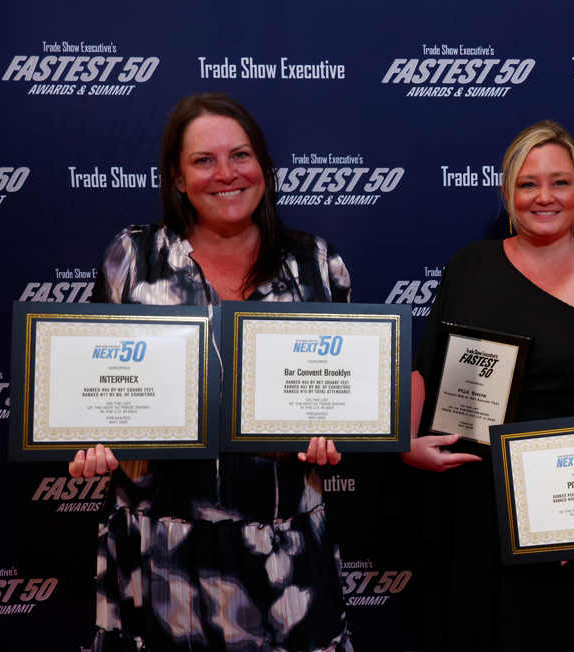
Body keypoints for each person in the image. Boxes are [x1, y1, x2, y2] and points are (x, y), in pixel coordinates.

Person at [69, 93, 354, 652]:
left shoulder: (315, 262)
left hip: (284, 545)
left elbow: (344, 390)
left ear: (264, 166)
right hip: (159, 545)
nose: (226, 174)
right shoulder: (133, 258)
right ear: (177, 177)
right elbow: (91, 385)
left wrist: (337, 430)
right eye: (204, 160)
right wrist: (89, 440)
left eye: (240, 155)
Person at [399, 120, 574, 651]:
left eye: (560, 182)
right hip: (471, 493)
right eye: (528, 184)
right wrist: (407, 443)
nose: (544, 197)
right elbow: (426, 368)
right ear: (509, 193)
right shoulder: (470, 263)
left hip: (561, 497)